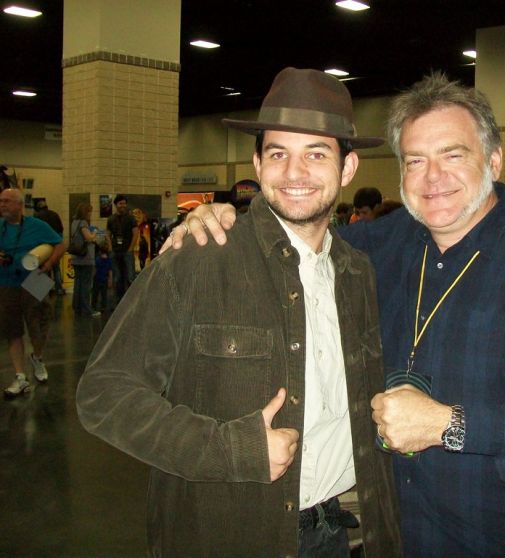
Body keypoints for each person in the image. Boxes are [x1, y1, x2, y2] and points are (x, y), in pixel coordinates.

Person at [172, 72, 505, 557]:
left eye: (453, 155)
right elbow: (295, 236)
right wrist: (218, 220)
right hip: (402, 535)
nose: (433, 177)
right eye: (415, 161)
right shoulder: (379, 246)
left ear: (494, 160)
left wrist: (450, 424)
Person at [76, 68, 400, 558]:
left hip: (337, 532)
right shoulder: (198, 259)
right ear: (257, 163)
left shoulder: (359, 275)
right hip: (226, 534)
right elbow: (104, 393)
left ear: (348, 168)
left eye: (316, 154)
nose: (294, 173)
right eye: (278, 154)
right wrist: (231, 450)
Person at [1, 188, 65, 396]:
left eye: (7, 201)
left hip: (36, 279)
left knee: (40, 324)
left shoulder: (38, 226)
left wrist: (48, 264)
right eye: (1, 201)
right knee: (12, 330)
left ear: (19, 205)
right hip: (6, 281)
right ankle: (20, 376)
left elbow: (60, 245)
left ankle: (37, 357)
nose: (2, 204)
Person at [69, 203, 100, 318]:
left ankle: (77, 307)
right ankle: (87, 309)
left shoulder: (74, 223)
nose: (90, 214)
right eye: (89, 212)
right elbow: (89, 238)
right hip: (85, 258)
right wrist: (95, 232)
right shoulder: (83, 223)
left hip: (76, 257)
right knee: (86, 285)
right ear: (85, 212)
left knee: (78, 284)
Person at [105, 194, 137, 303]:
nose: (123, 205)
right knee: (117, 277)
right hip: (115, 251)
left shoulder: (131, 218)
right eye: (120, 203)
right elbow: (108, 234)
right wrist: (110, 248)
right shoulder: (111, 219)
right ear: (116, 205)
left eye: (124, 203)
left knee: (130, 277)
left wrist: (130, 248)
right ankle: (119, 301)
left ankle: (132, 301)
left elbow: (135, 233)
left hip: (127, 251)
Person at [34, 200, 65, 295]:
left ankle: (47, 290)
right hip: (55, 245)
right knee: (56, 267)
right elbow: (61, 229)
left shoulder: (37, 216)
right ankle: (59, 288)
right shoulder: (54, 214)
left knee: (45, 267)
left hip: (43, 246)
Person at [92, 242, 113, 312]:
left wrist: (92, 277)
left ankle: (93, 306)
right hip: (105, 279)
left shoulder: (97, 259)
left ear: (100, 251)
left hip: (97, 279)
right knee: (104, 294)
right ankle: (103, 307)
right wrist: (110, 280)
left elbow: (95, 270)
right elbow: (110, 271)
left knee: (95, 293)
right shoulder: (109, 260)